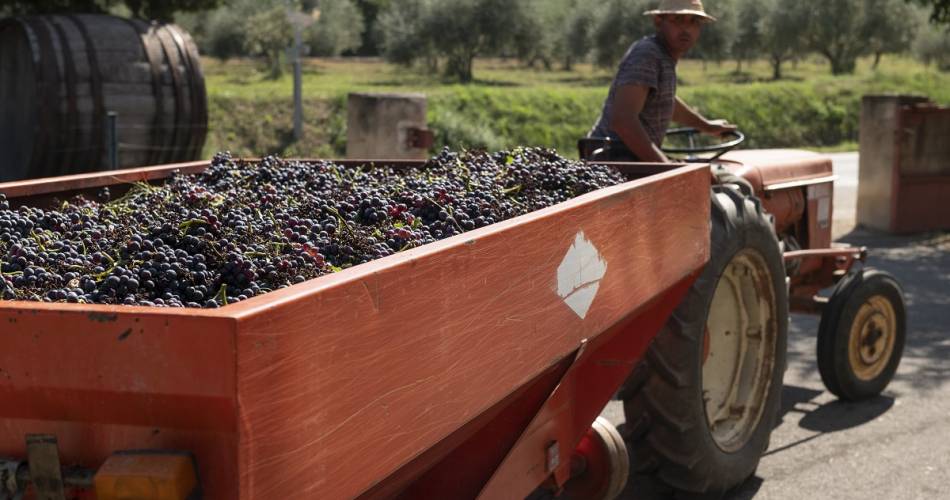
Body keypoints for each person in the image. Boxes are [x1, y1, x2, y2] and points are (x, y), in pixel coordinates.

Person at [588, 0, 736, 163]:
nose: (686, 29)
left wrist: (707, 126)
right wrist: (666, 168)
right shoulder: (647, 55)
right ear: (659, 21)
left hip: (632, 160)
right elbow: (623, 121)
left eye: (693, 21)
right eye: (678, 20)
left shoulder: (663, 57)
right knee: (729, 187)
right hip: (614, 161)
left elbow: (664, 101)